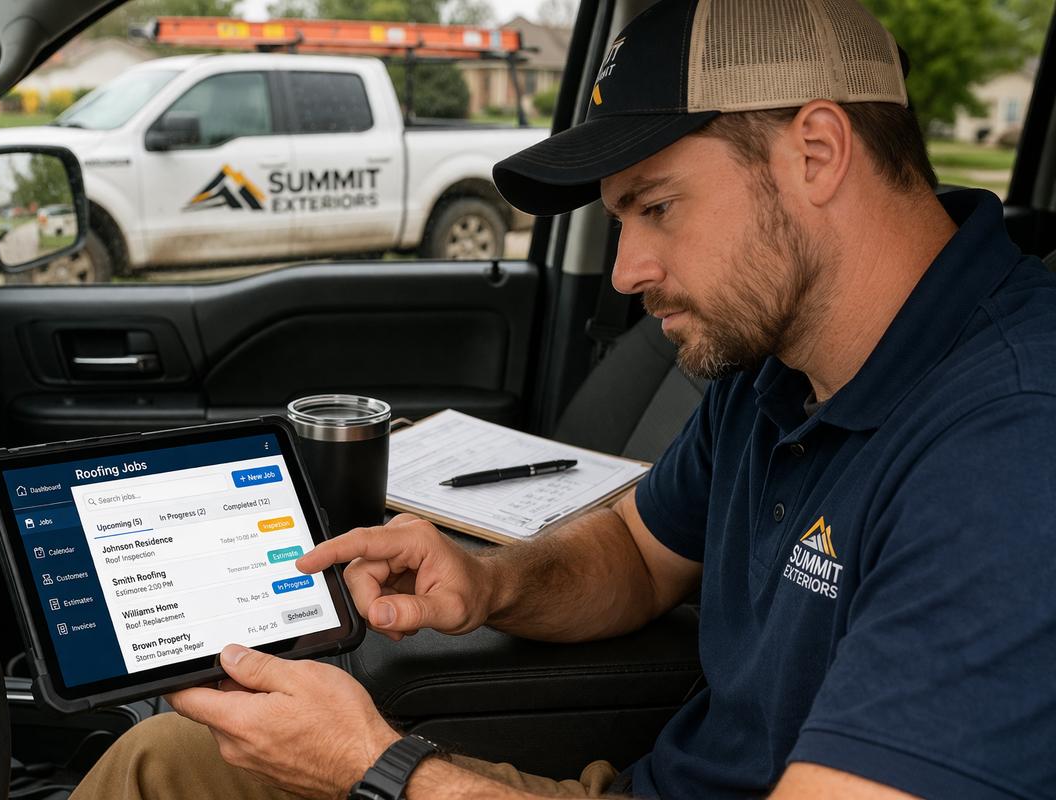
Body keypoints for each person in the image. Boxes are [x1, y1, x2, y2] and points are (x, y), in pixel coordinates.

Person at [72, 0, 1056, 797]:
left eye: (656, 205)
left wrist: (380, 767)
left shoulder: (1016, 445)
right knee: (166, 762)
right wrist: (488, 581)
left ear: (817, 150)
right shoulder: (777, 362)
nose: (626, 270)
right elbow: (634, 550)